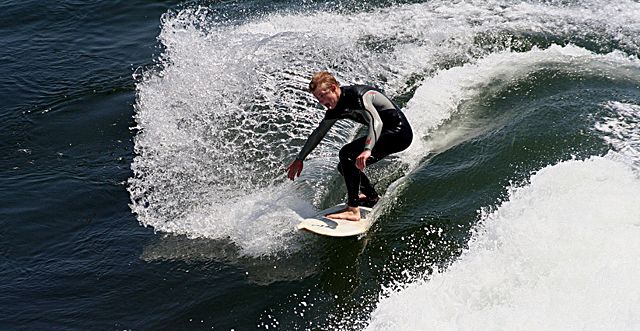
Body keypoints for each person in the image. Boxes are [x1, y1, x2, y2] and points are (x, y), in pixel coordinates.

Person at [287, 72, 413, 221]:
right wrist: (300, 158)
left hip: (398, 133)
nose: (321, 101)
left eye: (322, 95)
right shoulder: (335, 108)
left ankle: (353, 210)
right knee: (345, 166)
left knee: (346, 153)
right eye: (317, 98)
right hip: (385, 135)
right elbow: (319, 133)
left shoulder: (356, 96)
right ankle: (371, 197)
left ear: (333, 88)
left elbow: (376, 121)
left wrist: (367, 150)